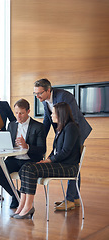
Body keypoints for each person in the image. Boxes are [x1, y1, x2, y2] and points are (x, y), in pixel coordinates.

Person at [11, 102, 81, 219]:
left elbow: (65, 151)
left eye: (53, 113)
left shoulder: (71, 128)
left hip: (69, 167)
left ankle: (28, 206)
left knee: (29, 169)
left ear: (61, 114)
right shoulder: (61, 127)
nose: (51, 115)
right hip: (60, 164)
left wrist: (50, 161)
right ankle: (21, 205)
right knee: (24, 168)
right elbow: (55, 150)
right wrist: (48, 159)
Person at [33, 78, 92, 211]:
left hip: (76, 131)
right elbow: (47, 120)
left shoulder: (65, 97)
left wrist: (67, 137)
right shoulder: (44, 100)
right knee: (72, 162)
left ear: (48, 90)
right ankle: (74, 197)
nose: (37, 96)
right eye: (35, 93)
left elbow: (74, 119)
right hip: (63, 131)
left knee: (72, 161)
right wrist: (40, 137)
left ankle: (70, 199)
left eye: (40, 93)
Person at [0, 98, 46, 209]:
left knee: (23, 172)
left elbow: (42, 150)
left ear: (28, 111)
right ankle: (15, 195)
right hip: (13, 159)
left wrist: (27, 146)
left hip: (30, 160)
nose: (18, 116)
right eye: (16, 113)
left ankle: (24, 202)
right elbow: (8, 144)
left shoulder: (38, 127)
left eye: (21, 113)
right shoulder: (11, 125)